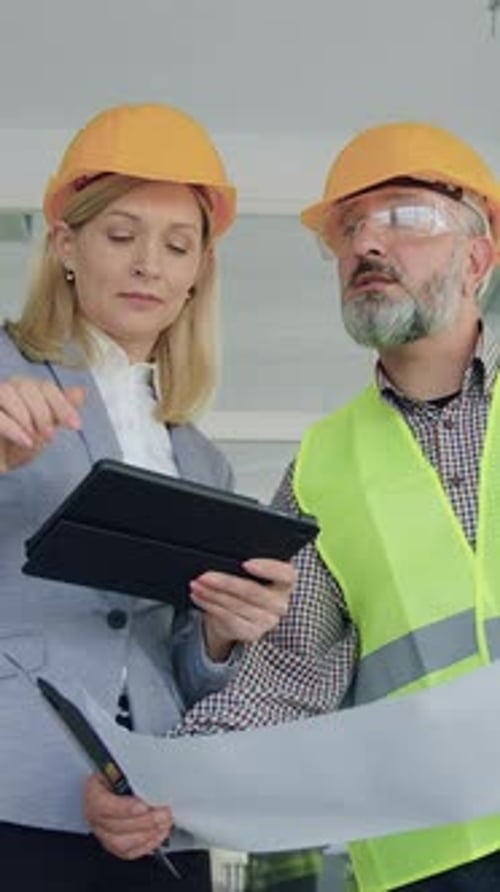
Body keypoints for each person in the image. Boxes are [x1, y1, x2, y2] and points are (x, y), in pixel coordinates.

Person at [84, 120, 500, 892]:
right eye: (350, 229)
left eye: (405, 218)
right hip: (430, 859)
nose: (368, 244)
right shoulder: (323, 467)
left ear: (478, 257)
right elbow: (282, 676)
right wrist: (157, 784)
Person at [0, 102, 296, 892]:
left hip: (160, 808)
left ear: (199, 271)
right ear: (66, 245)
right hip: (16, 795)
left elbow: (176, 662)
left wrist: (225, 638)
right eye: (121, 236)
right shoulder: (4, 375)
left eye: (176, 246)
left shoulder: (199, 460)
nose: (148, 266)